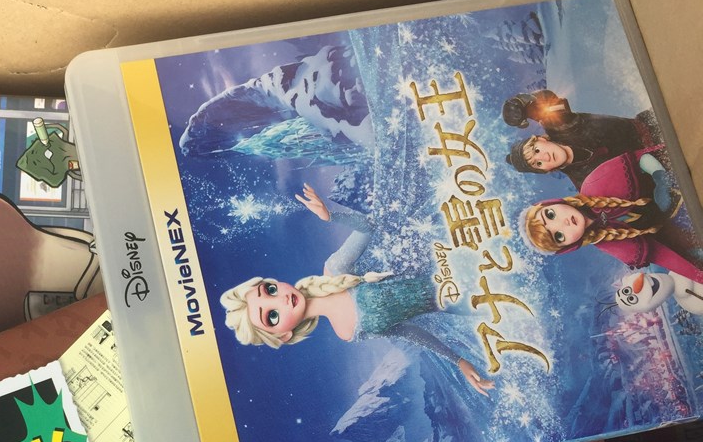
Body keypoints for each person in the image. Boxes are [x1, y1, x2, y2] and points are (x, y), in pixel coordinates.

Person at [220, 185, 494, 396]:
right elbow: (407, 331)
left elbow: (366, 227)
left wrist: (329, 216)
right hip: (462, 303)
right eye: (272, 316)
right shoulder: (347, 332)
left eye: (269, 290)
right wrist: (458, 360)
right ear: (283, 335)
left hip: (450, 261)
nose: (279, 299)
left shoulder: (334, 269)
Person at [520, 149, 703, 284]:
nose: (563, 223)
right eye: (559, 236)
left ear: (553, 203)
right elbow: (666, 256)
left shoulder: (594, 184)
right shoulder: (610, 245)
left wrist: (660, 179)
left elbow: (642, 157)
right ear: (569, 246)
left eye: (550, 215)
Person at [502, 88, 663, 189]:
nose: (545, 157)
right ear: (545, 170)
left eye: (537, 150)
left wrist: (523, 104)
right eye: (538, 164)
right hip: (661, 163)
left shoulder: (559, 125)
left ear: (541, 139)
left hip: (652, 124)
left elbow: (547, 101)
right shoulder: (585, 182)